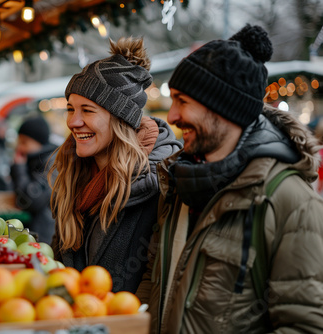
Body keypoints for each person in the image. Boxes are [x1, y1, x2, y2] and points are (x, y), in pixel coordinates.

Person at [136, 24, 323, 333]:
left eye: (183, 101)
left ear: (223, 109)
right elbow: (154, 279)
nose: (171, 116)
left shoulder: (290, 202)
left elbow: (306, 325)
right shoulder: (179, 183)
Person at [49, 37, 182, 294]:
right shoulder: (72, 176)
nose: (73, 122)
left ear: (121, 120)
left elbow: (158, 284)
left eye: (87, 110)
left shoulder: (163, 181)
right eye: (70, 109)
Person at [10, 115, 58, 245]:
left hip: (46, 235)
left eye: (24, 142)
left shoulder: (52, 163)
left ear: (39, 142)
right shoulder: (35, 160)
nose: (20, 148)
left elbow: (32, 199)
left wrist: (19, 168)